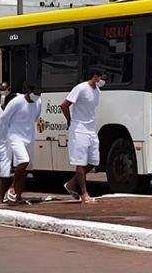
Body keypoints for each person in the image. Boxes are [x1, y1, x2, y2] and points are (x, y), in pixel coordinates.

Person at [61, 69, 107, 204]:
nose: (103, 81)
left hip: (91, 129)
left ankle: (71, 183)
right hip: (79, 129)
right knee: (80, 162)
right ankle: (84, 193)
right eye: (102, 78)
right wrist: (69, 120)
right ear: (95, 76)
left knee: (93, 162)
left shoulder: (97, 91)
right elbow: (64, 105)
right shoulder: (80, 88)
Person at [3, 82, 42, 204]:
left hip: (29, 137)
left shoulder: (38, 102)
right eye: (35, 93)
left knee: (27, 168)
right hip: (15, 137)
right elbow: (4, 118)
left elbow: (36, 117)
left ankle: (18, 196)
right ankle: (13, 186)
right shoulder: (16, 101)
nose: (37, 96)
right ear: (28, 92)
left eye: (39, 93)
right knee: (23, 160)